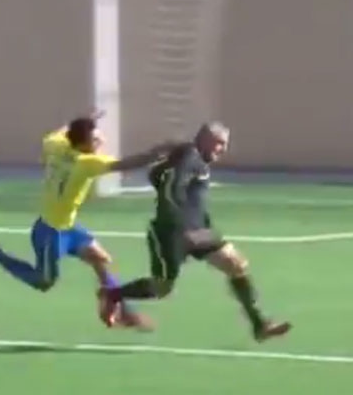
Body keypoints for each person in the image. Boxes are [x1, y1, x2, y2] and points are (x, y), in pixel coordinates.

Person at [0, 110, 175, 329]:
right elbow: (126, 164)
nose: (100, 140)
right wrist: (158, 153)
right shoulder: (85, 163)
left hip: (69, 226)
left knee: (101, 259)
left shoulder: (55, 144)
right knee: (44, 282)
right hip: (50, 232)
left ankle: (122, 310)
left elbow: (63, 131)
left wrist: (85, 120)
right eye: (94, 139)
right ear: (82, 144)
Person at [98, 122, 292, 341]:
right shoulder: (190, 157)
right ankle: (112, 295)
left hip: (199, 231)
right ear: (205, 140)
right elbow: (172, 188)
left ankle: (260, 324)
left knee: (236, 264)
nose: (223, 149)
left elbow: (159, 177)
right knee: (162, 287)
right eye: (220, 143)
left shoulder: (194, 159)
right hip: (171, 233)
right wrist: (176, 222)